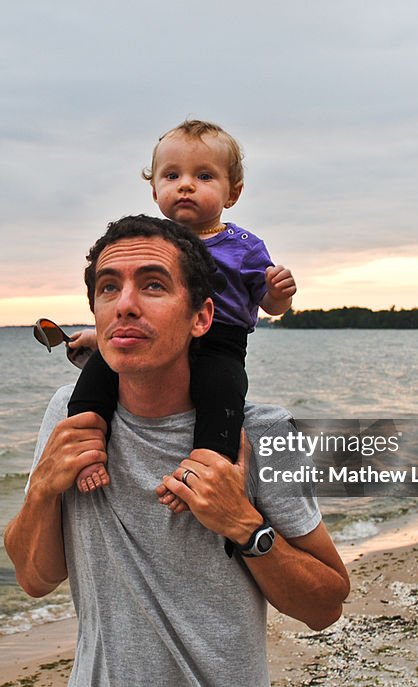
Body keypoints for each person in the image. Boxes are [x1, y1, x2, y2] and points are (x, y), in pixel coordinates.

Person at [4, 215, 349, 686]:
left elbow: (326, 606)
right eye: (108, 288)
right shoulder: (71, 415)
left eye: (152, 285)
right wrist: (43, 488)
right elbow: (35, 579)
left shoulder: (263, 432)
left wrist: (245, 526)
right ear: (95, 314)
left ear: (202, 317)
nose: (125, 305)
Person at [67, 120, 296, 493]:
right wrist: (102, 336)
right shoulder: (152, 243)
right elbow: (138, 305)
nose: (186, 185)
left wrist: (279, 293)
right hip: (160, 336)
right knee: (98, 374)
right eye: (172, 175)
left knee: (221, 394)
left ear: (232, 193)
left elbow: (270, 305)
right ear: (156, 192)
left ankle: (205, 472)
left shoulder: (244, 246)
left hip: (221, 340)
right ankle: (86, 441)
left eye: (204, 176)